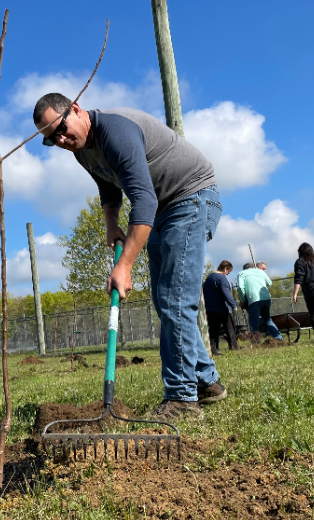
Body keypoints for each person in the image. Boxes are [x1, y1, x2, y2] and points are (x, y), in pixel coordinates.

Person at [33, 93, 226, 421]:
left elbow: (143, 200)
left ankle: (182, 399)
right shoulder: (82, 150)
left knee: (175, 300)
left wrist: (124, 266)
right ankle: (207, 382)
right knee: (166, 300)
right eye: (52, 140)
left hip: (190, 197)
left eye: (62, 129)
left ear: (77, 110)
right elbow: (108, 187)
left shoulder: (116, 133)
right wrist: (112, 225)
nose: (62, 140)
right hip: (164, 206)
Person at [237, 263, 283, 341]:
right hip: (266, 298)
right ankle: (279, 338)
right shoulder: (260, 271)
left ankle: (256, 341)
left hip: (254, 299)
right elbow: (270, 283)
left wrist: (243, 300)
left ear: (244, 269)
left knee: (254, 322)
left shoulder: (241, 273)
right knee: (267, 320)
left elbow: (241, 288)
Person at [202, 260, 238, 354]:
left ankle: (213, 350)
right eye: (228, 272)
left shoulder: (209, 277)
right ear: (225, 269)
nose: (227, 274)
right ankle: (234, 346)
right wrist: (233, 305)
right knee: (230, 328)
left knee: (213, 331)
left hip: (210, 308)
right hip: (222, 309)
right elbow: (226, 293)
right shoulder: (221, 278)